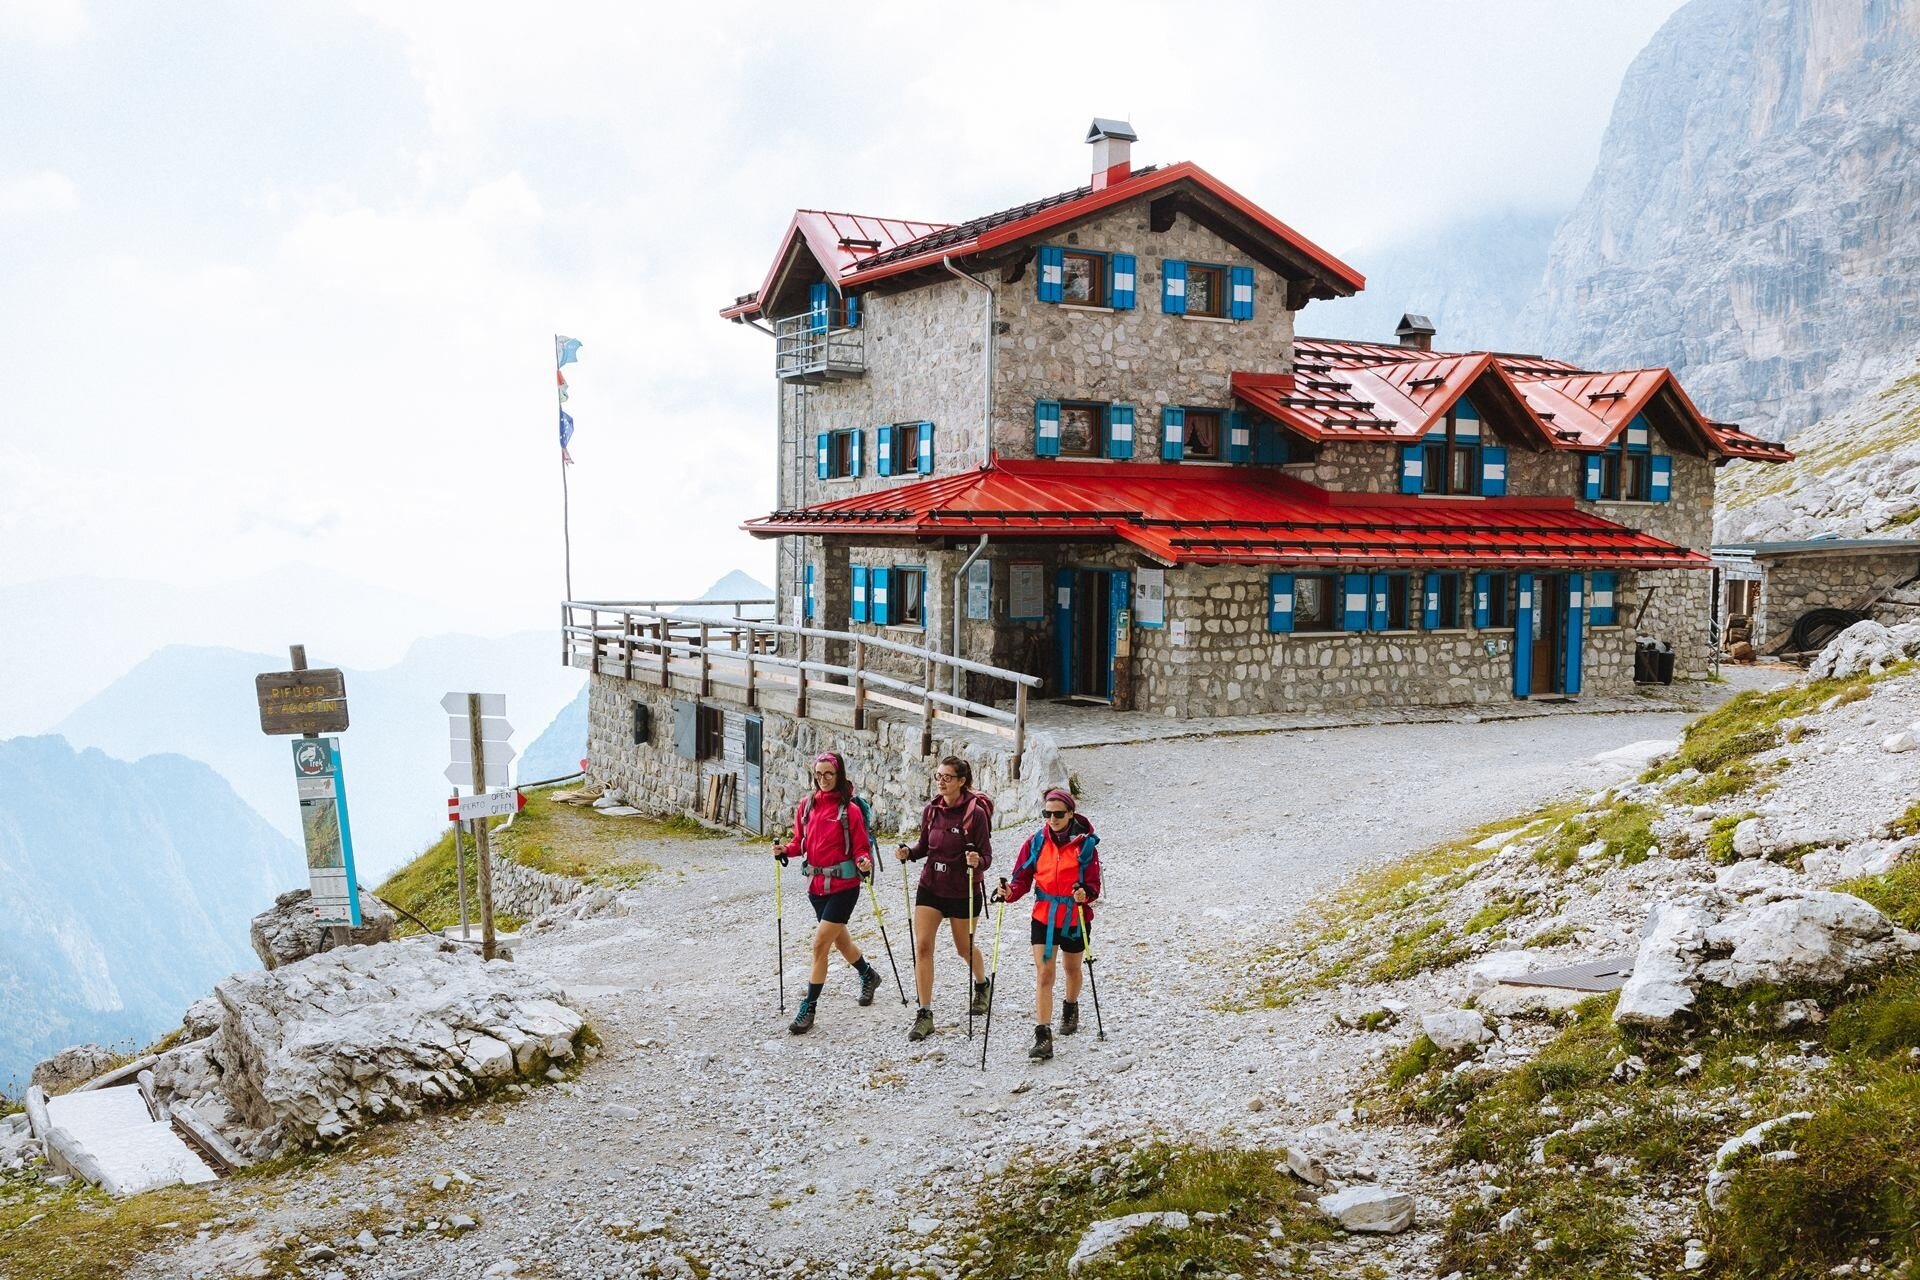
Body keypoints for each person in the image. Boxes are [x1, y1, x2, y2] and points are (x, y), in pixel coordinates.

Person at [777, 751, 882, 1034]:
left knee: (819, 945)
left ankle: (808, 1008)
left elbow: (860, 846)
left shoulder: (851, 810)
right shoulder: (806, 806)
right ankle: (868, 974)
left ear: (839, 776)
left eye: (828, 774)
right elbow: (800, 842)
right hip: (816, 888)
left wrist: (864, 860)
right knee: (840, 942)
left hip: (845, 887)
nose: (823, 779)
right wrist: (785, 850)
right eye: (818, 774)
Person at [894, 756, 994, 1042]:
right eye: (938, 776)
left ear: (962, 781)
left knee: (964, 948)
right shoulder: (932, 810)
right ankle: (924, 1013)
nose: (941, 781)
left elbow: (987, 856)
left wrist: (978, 861)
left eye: (947, 777)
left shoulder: (975, 814)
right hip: (931, 886)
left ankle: (981, 984)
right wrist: (909, 853)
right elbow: (924, 846)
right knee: (923, 947)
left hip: (963, 889)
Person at [998, 787, 1101, 1062]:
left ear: (1070, 814)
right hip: (1044, 917)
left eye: (1058, 814)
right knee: (1045, 973)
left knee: (1072, 968)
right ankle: (1043, 1035)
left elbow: (1093, 885)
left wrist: (1085, 894)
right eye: (1047, 813)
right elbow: (1021, 878)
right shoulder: (1035, 842)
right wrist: (1010, 893)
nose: (1052, 819)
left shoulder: (1086, 845)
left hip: (1074, 918)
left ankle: (1070, 1007)